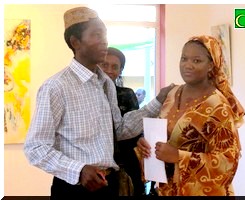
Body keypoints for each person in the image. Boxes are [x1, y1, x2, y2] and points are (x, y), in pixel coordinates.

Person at [23, 7, 174, 199]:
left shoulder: (105, 84)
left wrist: (158, 101)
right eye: (96, 34)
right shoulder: (56, 87)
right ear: (75, 42)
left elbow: (119, 130)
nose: (104, 41)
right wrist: (79, 170)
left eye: (105, 34)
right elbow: (35, 148)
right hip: (75, 189)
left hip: (108, 185)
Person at [136, 35, 245, 196]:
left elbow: (228, 161)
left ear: (211, 65)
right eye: (184, 59)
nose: (188, 65)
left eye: (196, 61)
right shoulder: (172, 94)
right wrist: (146, 145)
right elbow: (163, 135)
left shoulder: (217, 106)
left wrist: (179, 157)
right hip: (165, 190)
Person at [100, 47, 146, 195]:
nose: (109, 70)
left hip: (126, 161)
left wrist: (141, 139)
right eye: (104, 65)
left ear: (120, 71)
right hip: (99, 163)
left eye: (115, 67)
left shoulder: (127, 94)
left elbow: (137, 127)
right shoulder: (87, 95)